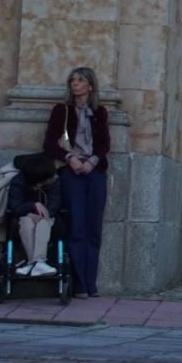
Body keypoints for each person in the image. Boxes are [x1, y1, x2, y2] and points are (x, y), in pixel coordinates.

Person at [43, 67, 111, 299]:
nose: (75, 84)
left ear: (90, 86)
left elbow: (104, 144)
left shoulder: (99, 112)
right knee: (77, 226)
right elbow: (49, 143)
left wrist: (92, 162)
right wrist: (70, 158)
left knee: (94, 228)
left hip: (94, 171)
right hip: (71, 171)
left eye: (80, 80)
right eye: (72, 80)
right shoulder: (62, 111)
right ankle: (79, 284)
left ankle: (91, 284)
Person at [6, 153, 59, 278]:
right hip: (25, 215)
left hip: (47, 217)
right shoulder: (19, 181)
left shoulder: (54, 181)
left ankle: (35, 263)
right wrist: (32, 207)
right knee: (26, 222)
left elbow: (55, 203)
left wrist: (44, 213)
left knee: (43, 223)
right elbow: (15, 206)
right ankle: (37, 263)